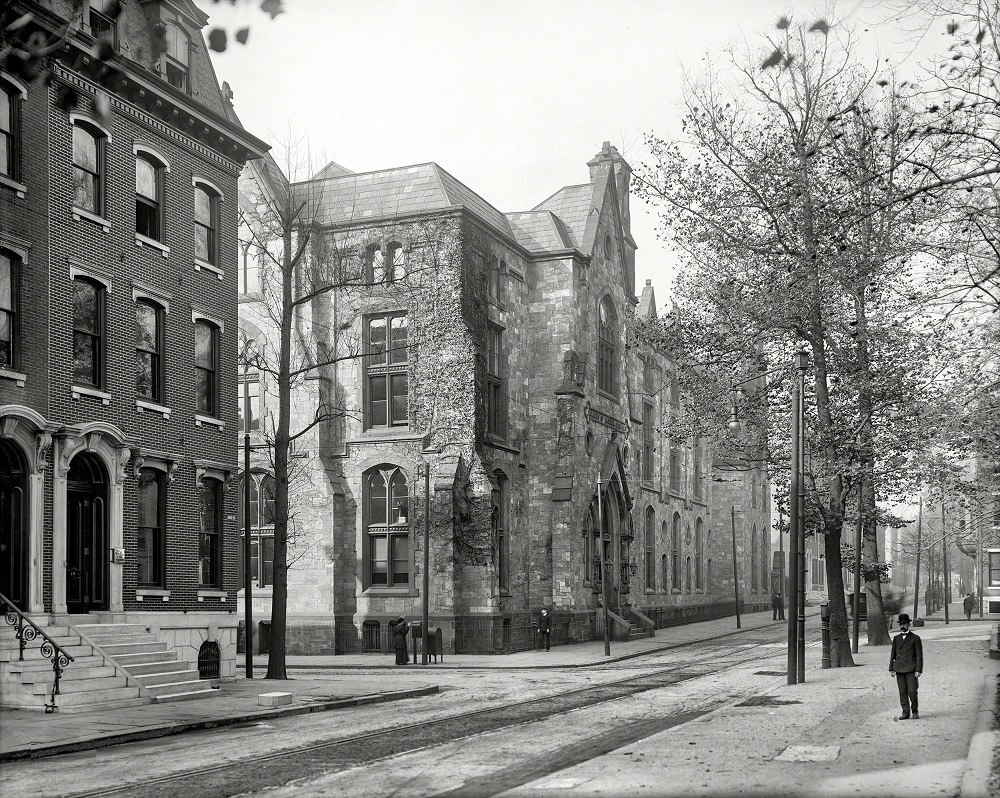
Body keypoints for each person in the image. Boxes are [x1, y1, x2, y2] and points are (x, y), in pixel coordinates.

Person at [889, 613, 923, 720]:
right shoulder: (896, 639)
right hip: (899, 668)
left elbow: (919, 655)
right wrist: (891, 668)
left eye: (905, 624)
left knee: (912, 691)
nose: (902, 626)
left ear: (909, 624)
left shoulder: (915, 638)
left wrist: (918, 669)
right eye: (901, 624)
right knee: (902, 692)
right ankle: (905, 712)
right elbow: (893, 654)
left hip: (911, 669)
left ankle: (915, 710)